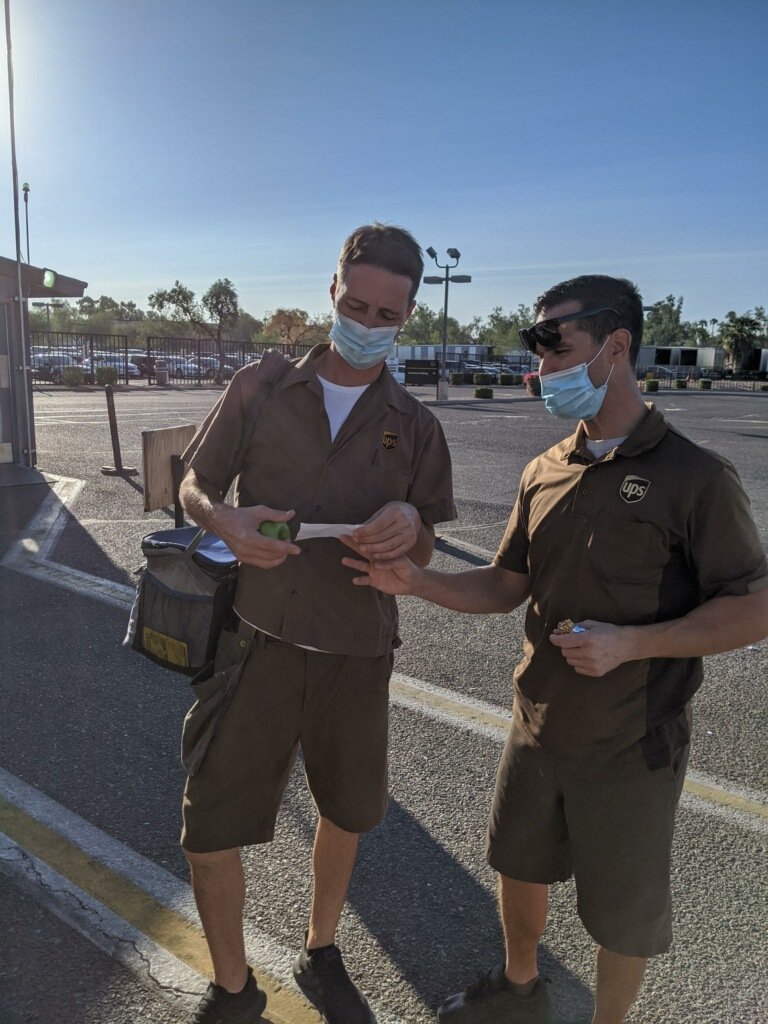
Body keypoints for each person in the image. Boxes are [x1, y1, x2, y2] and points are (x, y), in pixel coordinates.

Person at [342, 274, 768, 1024]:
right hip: (536, 725)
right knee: (516, 864)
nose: (538, 367)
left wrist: (635, 643)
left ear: (617, 346)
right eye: (533, 349)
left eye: (554, 345)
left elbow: (754, 604)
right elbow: (507, 584)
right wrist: (414, 581)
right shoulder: (545, 470)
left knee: (621, 913)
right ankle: (519, 988)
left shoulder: (696, 477)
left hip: (632, 745)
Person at [177, 223, 456, 1024]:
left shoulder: (417, 424)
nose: (367, 325)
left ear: (407, 316)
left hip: (356, 651)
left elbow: (431, 536)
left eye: (388, 315)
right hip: (254, 642)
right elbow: (194, 480)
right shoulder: (258, 388)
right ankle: (232, 989)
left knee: (345, 811)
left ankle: (320, 947)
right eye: (357, 303)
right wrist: (222, 520)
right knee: (207, 827)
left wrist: (409, 522)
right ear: (331, 290)